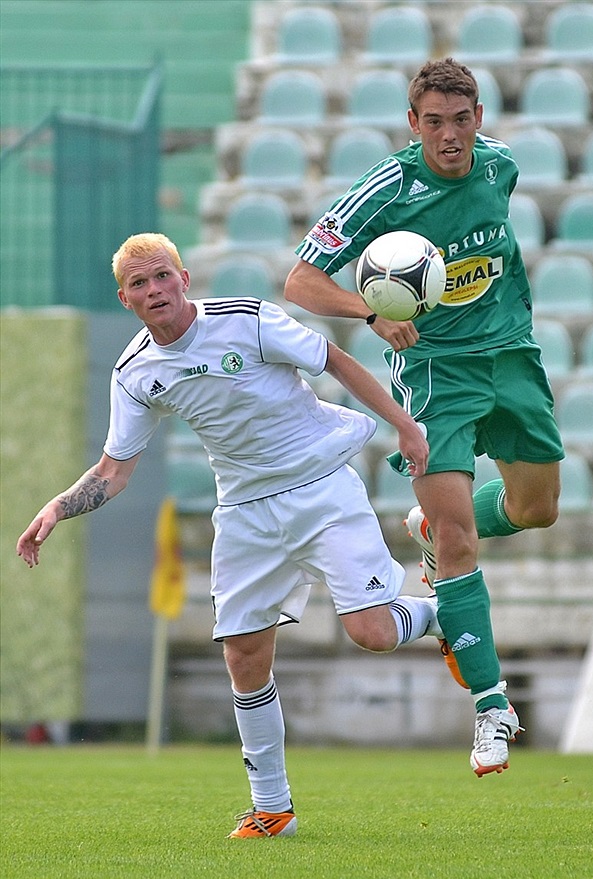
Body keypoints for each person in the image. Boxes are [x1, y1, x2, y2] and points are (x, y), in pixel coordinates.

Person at [16, 232, 448, 839]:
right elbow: (115, 468)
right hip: (245, 511)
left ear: (183, 278)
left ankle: (434, 613)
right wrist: (58, 509)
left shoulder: (246, 318)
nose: (154, 290)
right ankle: (273, 808)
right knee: (244, 655)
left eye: (162, 276)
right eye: (139, 284)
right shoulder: (135, 372)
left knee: (372, 633)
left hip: (320, 483)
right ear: (125, 299)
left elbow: (335, 361)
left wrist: (403, 425)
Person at [285, 58, 565, 776]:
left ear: (479, 118)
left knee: (537, 509)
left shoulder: (499, 169)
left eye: (460, 119)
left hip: (512, 356)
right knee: (459, 541)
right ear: (414, 123)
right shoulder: (388, 188)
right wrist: (370, 308)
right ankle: (492, 708)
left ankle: (430, 529)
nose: (448, 135)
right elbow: (302, 278)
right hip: (438, 374)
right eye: (433, 122)